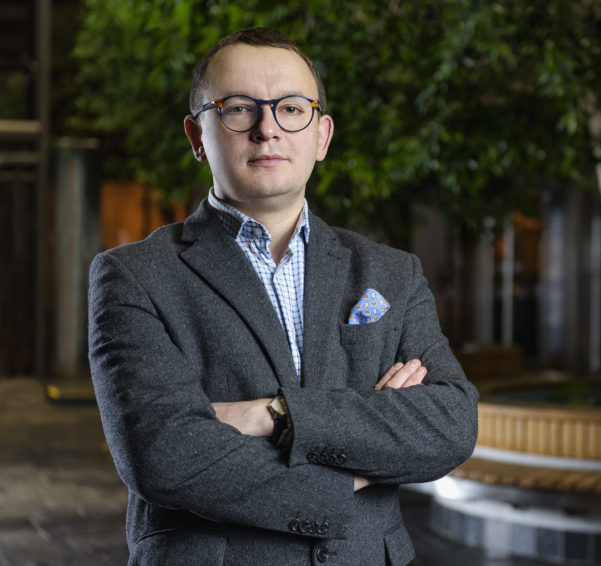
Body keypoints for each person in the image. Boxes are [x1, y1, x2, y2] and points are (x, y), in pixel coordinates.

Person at [88, 27, 478, 566]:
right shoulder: (133, 276)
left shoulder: (391, 273)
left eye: (292, 109)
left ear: (322, 136)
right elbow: (164, 455)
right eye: (238, 109)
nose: (267, 129)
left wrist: (275, 415)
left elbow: (450, 424)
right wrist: (351, 472)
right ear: (197, 136)